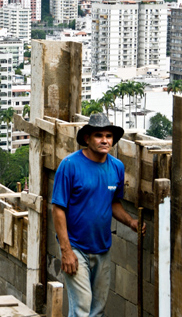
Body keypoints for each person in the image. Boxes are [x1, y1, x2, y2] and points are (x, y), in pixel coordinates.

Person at [51, 113, 146, 317]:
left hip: (102, 248)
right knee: (82, 307)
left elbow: (113, 202)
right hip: (76, 248)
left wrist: (131, 222)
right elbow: (58, 208)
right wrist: (66, 250)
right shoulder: (70, 165)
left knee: (98, 310)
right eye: (99, 135)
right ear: (87, 138)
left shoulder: (116, 168)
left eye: (108, 136)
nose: (105, 140)